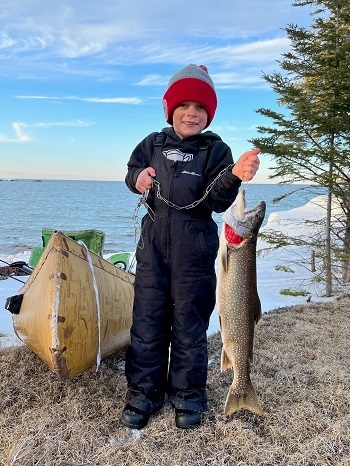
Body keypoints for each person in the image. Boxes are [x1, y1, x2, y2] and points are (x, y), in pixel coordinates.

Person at [122, 64, 260, 430]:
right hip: (152, 248)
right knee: (147, 323)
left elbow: (217, 201)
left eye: (200, 108)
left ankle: (187, 394)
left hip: (196, 250)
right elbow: (131, 171)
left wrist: (234, 175)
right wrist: (137, 178)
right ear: (170, 109)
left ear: (209, 114)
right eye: (183, 106)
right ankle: (143, 394)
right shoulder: (152, 144)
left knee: (189, 325)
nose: (191, 113)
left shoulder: (216, 149)